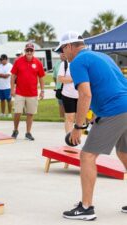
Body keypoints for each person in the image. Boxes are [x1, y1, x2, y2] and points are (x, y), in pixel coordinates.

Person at [55, 31, 127, 221]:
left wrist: (78, 126)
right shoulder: (102, 56)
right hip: (124, 106)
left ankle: (86, 208)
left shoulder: (77, 62)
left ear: (69, 46)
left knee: (87, 156)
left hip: (115, 110)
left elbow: (86, 95)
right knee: (124, 153)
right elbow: (111, 84)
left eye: (62, 50)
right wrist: (96, 115)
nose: (63, 55)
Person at [10, 43, 45, 140]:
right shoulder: (18, 61)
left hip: (32, 93)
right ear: (25, 51)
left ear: (33, 51)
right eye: (27, 50)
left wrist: (42, 91)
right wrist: (12, 88)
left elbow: (41, 77)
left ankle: (28, 132)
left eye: (31, 50)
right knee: (17, 112)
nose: (29, 52)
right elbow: (13, 76)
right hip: (20, 92)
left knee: (30, 113)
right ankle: (15, 130)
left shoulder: (38, 62)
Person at [57, 56, 78, 133]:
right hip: (68, 95)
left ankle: (78, 138)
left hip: (82, 95)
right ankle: (68, 138)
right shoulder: (65, 63)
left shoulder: (84, 62)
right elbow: (60, 78)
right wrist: (75, 78)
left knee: (80, 119)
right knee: (70, 118)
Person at [52, 54, 65, 118]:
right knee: (61, 104)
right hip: (59, 88)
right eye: (61, 53)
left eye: (64, 53)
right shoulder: (57, 63)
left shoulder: (71, 62)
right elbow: (54, 76)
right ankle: (62, 119)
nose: (62, 55)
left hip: (69, 89)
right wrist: (57, 85)